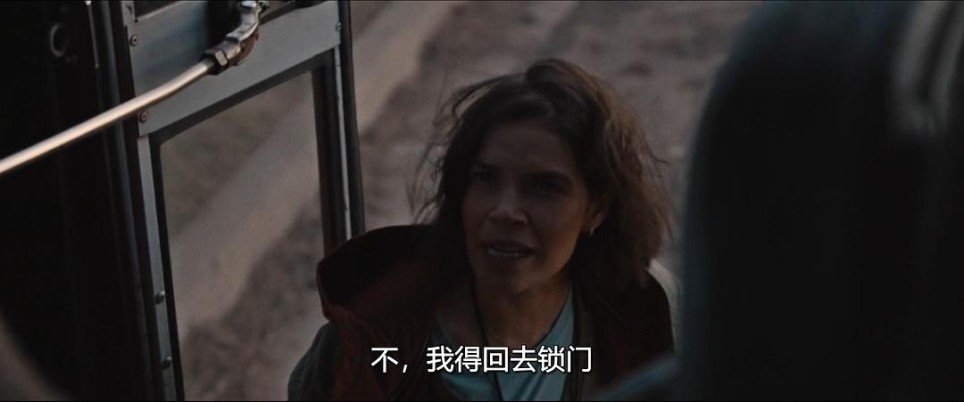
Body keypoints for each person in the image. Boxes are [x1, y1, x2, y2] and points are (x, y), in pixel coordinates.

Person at [289, 58, 674, 400]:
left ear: (596, 209)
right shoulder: (366, 344)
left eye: (543, 187)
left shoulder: (640, 314)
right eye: (485, 178)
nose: (504, 212)